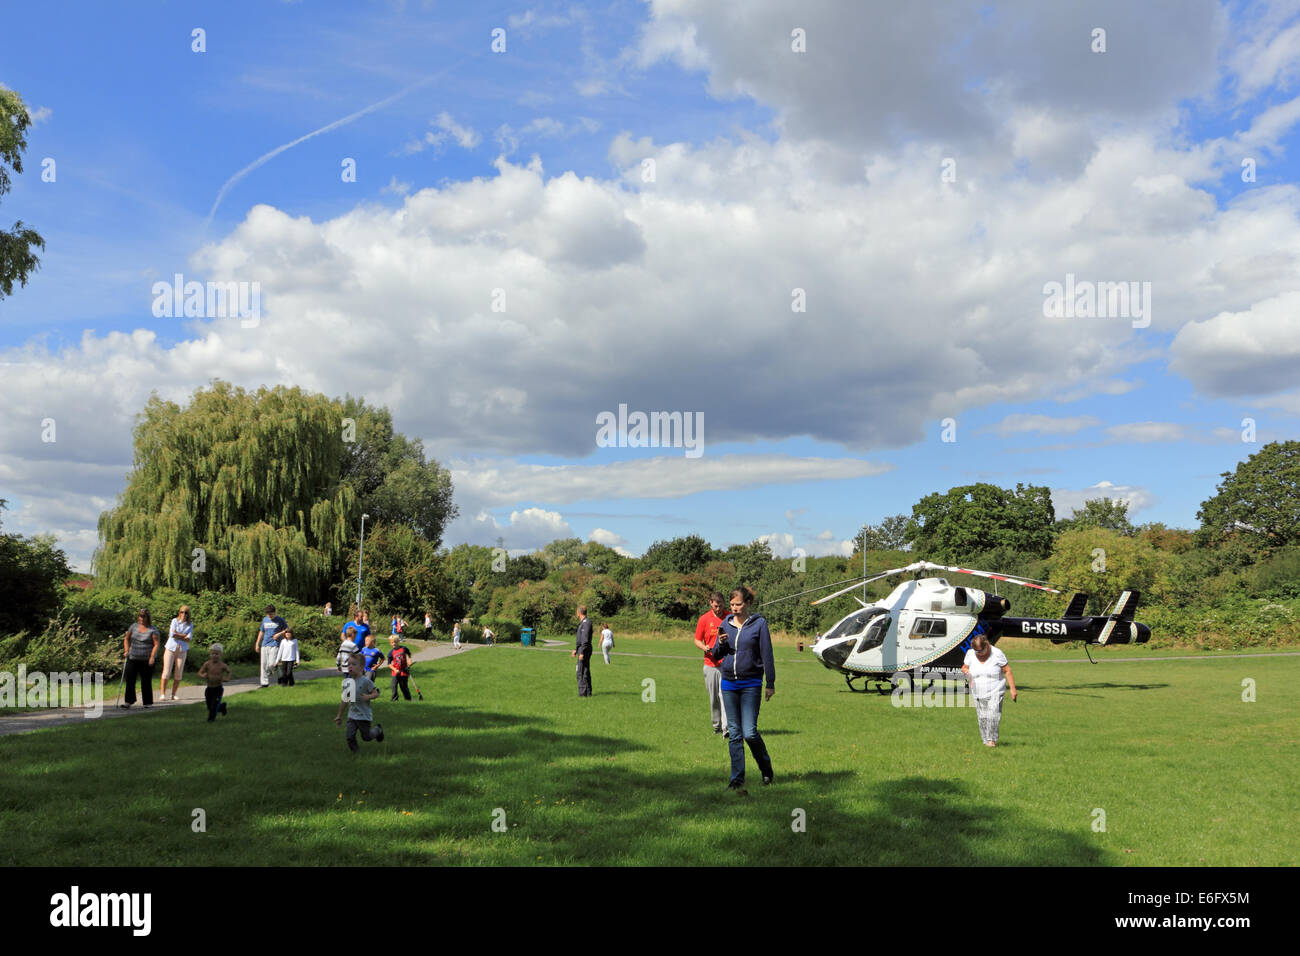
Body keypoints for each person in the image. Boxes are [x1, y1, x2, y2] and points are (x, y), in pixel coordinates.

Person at [708, 587, 775, 795]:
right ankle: (737, 779)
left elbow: (767, 653)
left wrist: (770, 683)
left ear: (747, 603)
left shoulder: (759, 624)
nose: (734, 609)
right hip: (729, 683)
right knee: (734, 733)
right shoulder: (725, 623)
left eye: (738, 605)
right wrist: (719, 644)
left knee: (749, 732)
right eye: (732, 605)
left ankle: (766, 770)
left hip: (751, 683)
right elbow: (717, 654)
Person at [962, 634, 1017, 747]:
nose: (979, 653)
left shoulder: (997, 653)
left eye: (981, 650)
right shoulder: (970, 653)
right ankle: (985, 740)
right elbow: (964, 667)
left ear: (986, 645)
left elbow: (1007, 671)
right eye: (976, 651)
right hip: (978, 690)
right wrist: (966, 671)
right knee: (982, 717)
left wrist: (1012, 689)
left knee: (993, 715)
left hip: (995, 689)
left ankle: (991, 740)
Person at [694, 592, 727, 735]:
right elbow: (696, 639)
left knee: (725, 695)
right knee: (714, 698)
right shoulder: (704, 619)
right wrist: (704, 647)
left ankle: (727, 728)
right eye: (715, 606)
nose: (718, 609)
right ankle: (717, 726)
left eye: (720, 606)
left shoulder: (729, 617)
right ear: (710, 603)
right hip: (710, 664)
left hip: (726, 664)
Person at [335, 655, 384, 752]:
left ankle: (378, 730)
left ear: (361, 667)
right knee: (349, 736)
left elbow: (376, 693)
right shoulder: (348, 682)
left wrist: (368, 697)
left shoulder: (366, 681)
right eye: (348, 664)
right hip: (352, 715)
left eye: (353, 664)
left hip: (363, 715)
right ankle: (356, 753)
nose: (350, 666)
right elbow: (344, 700)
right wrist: (339, 716)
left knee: (367, 737)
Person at [120, 609, 161, 709]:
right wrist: (126, 650)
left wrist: (152, 657)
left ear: (148, 618)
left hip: (146, 659)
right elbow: (126, 638)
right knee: (130, 679)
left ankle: (147, 702)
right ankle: (129, 701)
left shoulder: (153, 630)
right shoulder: (133, 627)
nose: (141, 618)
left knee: (145, 681)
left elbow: (156, 644)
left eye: (144, 616)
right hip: (133, 657)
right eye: (140, 616)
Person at [160, 605, 193, 701]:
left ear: (188, 614)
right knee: (166, 672)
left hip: (182, 649)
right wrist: (182, 636)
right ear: (179, 612)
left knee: (178, 673)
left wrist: (179, 635)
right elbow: (172, 634)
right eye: (182, 612)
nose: (183, 614)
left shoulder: (190, 624)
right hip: (171, 648)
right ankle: (163, 694)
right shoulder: (174, 621)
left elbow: (188, 638)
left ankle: (173, 694)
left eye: (186, 612)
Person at [254, 605, 288, 688]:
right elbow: (261, 632)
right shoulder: (265, 620)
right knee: (264, 665)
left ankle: (280, 676)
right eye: (268, 614)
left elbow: (287, 630)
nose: (269, 616)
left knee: (272, 664)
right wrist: (257, 643)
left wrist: (279, 634)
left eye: (271, 614)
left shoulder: (280, 620)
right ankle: (264, 683)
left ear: (274, 612)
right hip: (265, 644)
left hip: (275, 644)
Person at [197, 643, 230, 722]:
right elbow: (199, 673)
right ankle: (222, 707)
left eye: (217, 654)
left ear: (221, 655)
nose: (214, 656)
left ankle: (211, 719)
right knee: (209, 705)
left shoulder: (222, 665)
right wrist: (203, 675)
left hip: (218, 688)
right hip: (209, 688)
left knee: (214, 705)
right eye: (213, 654)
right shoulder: (207, 664)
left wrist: (226, 678)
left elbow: (228, 672)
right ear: (210, 654)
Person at [384, 635, 413, 701]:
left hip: (404, 671)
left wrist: (410, 660)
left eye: (395, 642)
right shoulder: (390, 653)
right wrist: (394, 669)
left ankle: (408, 699)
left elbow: (409, 654)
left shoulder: (404, 648)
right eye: (392, 642)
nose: (394, 643)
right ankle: (394, 700)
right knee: (393, 686)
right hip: (395, 672)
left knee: (404, 687)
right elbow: (388, 664)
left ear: (398, 641)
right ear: (390, 643)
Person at [572, 605, 593, 697]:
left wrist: (582, 652)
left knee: (580, 671)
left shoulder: (586, 623)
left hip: (584, 649)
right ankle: (588, 692)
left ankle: (583, 693)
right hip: (582, 648)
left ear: (578, 613)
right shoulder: (584, 622)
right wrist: (576, 649)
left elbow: (585, 640)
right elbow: (580, 639)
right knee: (585, 670)